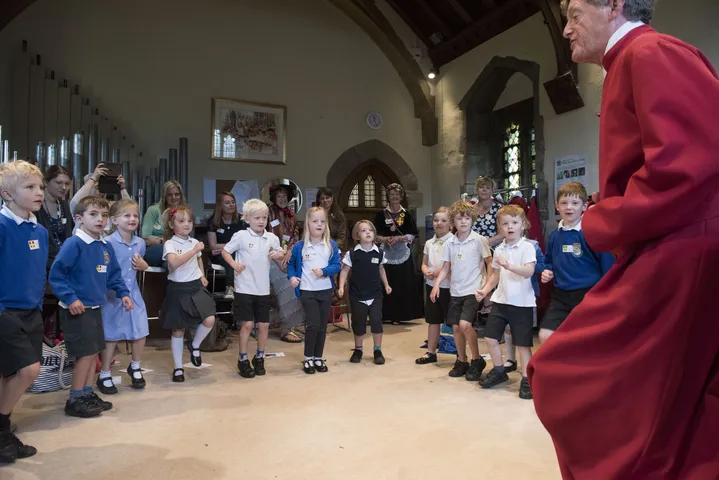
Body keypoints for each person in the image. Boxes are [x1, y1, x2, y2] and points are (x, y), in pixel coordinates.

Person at [529, 1, 719, 477]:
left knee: (573, 380)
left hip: (682, 251)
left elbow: (686, 168)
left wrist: (600, 220)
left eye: (573, 13)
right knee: (672, 406)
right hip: (665, 244)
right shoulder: (628, 63)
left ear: (613, 4)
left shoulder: (652, 53)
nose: (567, 29)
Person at [49, 196, 134, 418]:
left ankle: (87, 393)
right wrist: (71, 298)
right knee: (85, 355)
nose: (100, 219)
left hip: (96, 307)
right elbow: (57, 275)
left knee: (94, 352)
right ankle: (75, 398)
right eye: (93, 214)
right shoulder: (74, 244)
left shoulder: (104, 246)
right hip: (76, 309)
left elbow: (114, 275)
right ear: (79, 218)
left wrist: (123, 294)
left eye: (104, 215)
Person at [0, 161, 47, 464]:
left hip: (32, 311)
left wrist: (39, 306)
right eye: (29, 187)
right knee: (29, 370)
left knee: (10, 374)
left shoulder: (39, 230)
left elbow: (37, 272)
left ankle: (2, 434)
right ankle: (3, 431)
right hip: (5, 311)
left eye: (40, 187)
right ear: (6, 194)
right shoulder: (2, 227)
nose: (39, 192)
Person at [539, 182, 614, 343]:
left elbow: (607, 264)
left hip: (587, 294)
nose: (569, 207)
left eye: (575, 203)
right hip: (560, 295)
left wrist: (605, 293)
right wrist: (547, 271)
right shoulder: (554, 235)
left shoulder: (591, 233)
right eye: (564, 203)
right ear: (557, 206)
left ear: (585, 206)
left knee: (584, 339)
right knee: (545, 336)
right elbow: (549, 261)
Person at [476, 205, 536, 400]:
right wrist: (485, 290)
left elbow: (529, 271)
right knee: (491, 337)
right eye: (505, 224)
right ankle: (499, 370)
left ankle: (527, 379)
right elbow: (495, 275)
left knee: (523, 344)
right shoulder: (500, 248)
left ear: (523, 225)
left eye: (514, 223)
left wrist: (510, 265)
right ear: (500, 228)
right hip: (501, 301)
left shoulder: (527, 246)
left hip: (522, 303)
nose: (510, 227)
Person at [222, 199, 285, 378]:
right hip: (244, 288)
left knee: (264, 324)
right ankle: (243, 358)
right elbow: (226, 251)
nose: (261, 221)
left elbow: (281, 258)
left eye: (264, 218)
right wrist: (234, 264)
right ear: (247, 219)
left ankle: (260, 357)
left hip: (263, 289)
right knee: (248, 324)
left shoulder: (271, 238)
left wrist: (278, 255)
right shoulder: (241, 236)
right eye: (257, 217)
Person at [431, 201, 492, 380]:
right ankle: (462, 360)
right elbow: (445, 268)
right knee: (456, 327)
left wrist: (487, 289)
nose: (463, 222)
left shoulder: (479, 240)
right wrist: (436, 285)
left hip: (473, 290)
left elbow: (490, 264)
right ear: (453, 222)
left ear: (472, 219)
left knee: (466, 325)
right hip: (455, 290)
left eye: (466, 218)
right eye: (459, 218)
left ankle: (476, 359)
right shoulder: (450, 243)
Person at [96, 200, 150, 394]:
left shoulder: (140, 243)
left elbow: (140, 265)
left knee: (140, 330)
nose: (132, 219)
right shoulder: (107, 243)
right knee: (111, 334)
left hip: (133, 293)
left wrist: (144, 266)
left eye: (135, 215)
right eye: (127, 215)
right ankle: (104, 373)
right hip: (112, 296)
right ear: (114, 220)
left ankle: (135, 366)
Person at [160, 205, 216, 383]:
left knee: (209, 319)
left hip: (195, 286)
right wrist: (194, 250)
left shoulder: (194, 242)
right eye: (181, 221)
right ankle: (178, 367)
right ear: (171, 224)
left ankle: (195, 345)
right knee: (178, 329)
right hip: (178, 288)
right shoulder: (170, 243)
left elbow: (199, 259)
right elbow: (174, 263)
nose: (186, 224)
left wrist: (202, 275)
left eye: (190, 221)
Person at [287, 207, 342, 374]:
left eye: (322, 221)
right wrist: (292, 277)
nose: (319, 224)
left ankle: (318, 357)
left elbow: (337, 266)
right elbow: (291, 265)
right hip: (307, 291)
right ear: (308, 224)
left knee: (322, 326)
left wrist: (324, 271)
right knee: (312, 324)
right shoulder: (300, 246)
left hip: (325, 291)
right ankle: (308, 358)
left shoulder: (330, 245)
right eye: (315, 221)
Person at [338, 220, 392, 365]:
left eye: (370, 230)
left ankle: (377, 349)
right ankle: (358, 349)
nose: (367, 232)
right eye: (363, 230)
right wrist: (341, 287)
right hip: (357, 295)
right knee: (359, 323)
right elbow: (344, 271)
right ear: (356, 235)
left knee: (376, 322)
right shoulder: (352, 254)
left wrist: (386, 284)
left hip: (375, 294)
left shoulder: (379, 253)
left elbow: (381, 269)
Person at [374, 183, 423, 322]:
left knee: (402, 282)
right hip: (386, 252)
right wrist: (385, 239)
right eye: (392, 194)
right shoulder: (381, 214)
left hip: (402, 252)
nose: (394, 196)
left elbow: (413, 234)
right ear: (388, 197)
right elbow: (374, 235)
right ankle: (386, 315)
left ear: (401, 197)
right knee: (386, 281)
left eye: (397, 194)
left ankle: (402, 315)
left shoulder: (406, 214)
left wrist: (399, 238)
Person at [266, 184, 303, 343]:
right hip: (269, 258)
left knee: (299, 280)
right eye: (280, 196)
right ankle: (286, 328)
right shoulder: (267, 213)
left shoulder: (292, 216)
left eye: (285, 196)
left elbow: (295, 237)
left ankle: (294, 322)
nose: (283, 199)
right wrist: (278, 258)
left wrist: (289, 253)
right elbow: (264, 237)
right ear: (274, 197)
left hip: (287, 257)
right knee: (287, 284)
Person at [416, 207, 453, 365]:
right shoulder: (430, 242)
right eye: (436, 220)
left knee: (453, 321)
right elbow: (424, 262)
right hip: (432, 285)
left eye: (444, 220)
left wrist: (440, 271)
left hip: (449, 286)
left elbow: (453, 264)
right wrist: (426, 271)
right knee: (433, 320)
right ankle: (431, 352)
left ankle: (460, 353)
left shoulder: (453, 241)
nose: (439, 223)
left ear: (450, 224)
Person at [207, 191, 248, 300]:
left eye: (233, 202)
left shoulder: (242, 220)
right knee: (229, 255)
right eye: (227, 203)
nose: (231, 205)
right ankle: (230, 287)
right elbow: (213, 245)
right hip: (219, 255)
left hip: (239, 253)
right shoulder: (213, 221)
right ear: (220, 205)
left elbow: (246, 241)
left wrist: (227, 246)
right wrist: (232, 246)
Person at [142, 180, 186, 266]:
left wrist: (158, 239)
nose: (174, 197)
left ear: (181, 196)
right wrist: (162, 241)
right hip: (157, 249)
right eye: (170, 195)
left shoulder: (184, 213)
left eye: (177, 194)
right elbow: (145, 237)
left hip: (176, 251)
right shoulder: (153, 210)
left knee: (169, 263)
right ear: (164, 196)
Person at [36, 165, 73, 266]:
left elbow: (68, 234)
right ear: (46, 182)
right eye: (58, 183)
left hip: (63, 260)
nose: (64, 187)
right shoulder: (36, 206)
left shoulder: (64, 206)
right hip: (43, 261)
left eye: (67, 183)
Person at [470, 176, 503, 247]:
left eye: (488, 188)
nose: (484, 189)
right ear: (476, 190)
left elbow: (502, 235)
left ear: (492, 191)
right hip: (471, 249)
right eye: (481, 187)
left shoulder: (499, 208)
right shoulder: (470, 209)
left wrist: (482, 245)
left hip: (492, 250)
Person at [316, 187, 347, 252]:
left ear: (332, 198)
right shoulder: (314, 214)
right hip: (317, 245)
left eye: (327, 197)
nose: (325, 200)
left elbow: (341, 237)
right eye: (322, 198)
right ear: (319, 200)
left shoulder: (339, 216)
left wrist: (332, 246)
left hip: (335, 247)